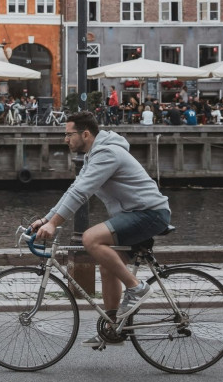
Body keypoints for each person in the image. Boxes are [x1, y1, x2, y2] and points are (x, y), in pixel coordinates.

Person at [30, 112, 171, 350]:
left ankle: (137, 288)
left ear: (85, 134)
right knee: (107, 265)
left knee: (90, 238)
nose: (65, 139)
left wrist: (54, 224)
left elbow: (81, 193)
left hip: (150, 213)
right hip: (134, 214)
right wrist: (47, 218)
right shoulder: (93, 156)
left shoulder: (107, 154)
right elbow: (73, 189)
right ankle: (113, 328)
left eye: (68, 134)